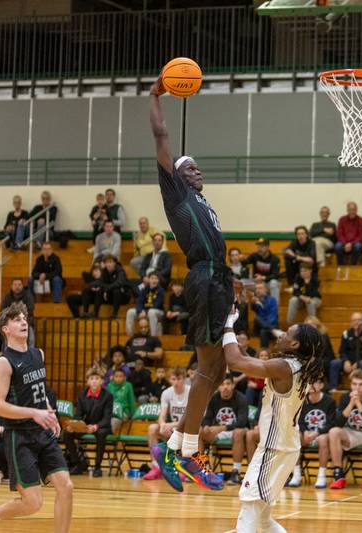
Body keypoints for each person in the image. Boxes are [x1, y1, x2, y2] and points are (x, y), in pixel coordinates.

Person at [149, 76, 235, 493]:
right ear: (176, 176)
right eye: (188, 167)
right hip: (203, 278)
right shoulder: (177, 195)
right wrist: (154, 95)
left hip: (220, 278)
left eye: (198, 167)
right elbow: (161, 135)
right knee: (207, 368)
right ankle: (181, 451)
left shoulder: (203, 201)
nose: (196, 170)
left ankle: (181, 448)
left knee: (218, 371)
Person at [0, 302, 73, 533]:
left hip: (42, 434)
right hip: (19, 437)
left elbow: (39, 391)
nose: (23, 322)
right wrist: (34, 413)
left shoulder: (38, 354)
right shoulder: (4, 362)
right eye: (17, 319)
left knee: (66, 486)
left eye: (24, 318)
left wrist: (48, 412)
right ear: (5, 329)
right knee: (33, 503)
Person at [220, 312, 327, 533]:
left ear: (295, 344)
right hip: (286, 447)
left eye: (286, 333)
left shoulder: (283, 367)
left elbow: (235, 362)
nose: (280, 335)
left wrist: (227, 324)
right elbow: (248, 361)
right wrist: (237, 343)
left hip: (274, 448)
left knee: (249, 511)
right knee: (263, 518)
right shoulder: (299, 367)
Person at [328, 370, 362, 491]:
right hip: (351, 433)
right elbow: (338, 423)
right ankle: (338, 474)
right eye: (354, 384)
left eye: (361, 384)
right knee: (333, 432)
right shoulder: (345, 397)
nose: (357, 388)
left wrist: (358, 403)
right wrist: (351, 404)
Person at [199, 375, 249, 486]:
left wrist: (222, 428)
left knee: (238, 432)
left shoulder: (241, 398)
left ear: (233, 385)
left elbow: (242, 422)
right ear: (218, 387)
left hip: (238, 430)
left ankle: (236, 472)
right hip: (219, 431)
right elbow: (207, 417)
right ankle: (201, 469)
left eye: (228, 384)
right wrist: (206, 426)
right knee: (200, 432)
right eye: (222, 384)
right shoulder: (214, 398)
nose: (225, 387)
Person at [64, 366, 113, 478]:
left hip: (101, 426)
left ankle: (97, 467)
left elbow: (107, 418)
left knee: (101, 434)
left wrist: (95, 426)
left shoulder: (108, 396)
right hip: (85, 426)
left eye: (97, 378)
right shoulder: (82, 394)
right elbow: (78, 414)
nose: (94, 381)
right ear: (88, 381)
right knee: (67, 433)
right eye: (91, 378)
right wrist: (75, 425)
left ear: (102, 381)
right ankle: (77, 464)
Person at [288, 378, 336, 488]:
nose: (311, 385)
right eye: (309, 383)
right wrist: (304, 431)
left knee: (323, 439)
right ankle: (296, 474)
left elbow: (331, 423)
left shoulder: (329, 401)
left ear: (321, 385)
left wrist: (317, 433)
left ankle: (321, 476)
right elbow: (298, 420)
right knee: (295, 436)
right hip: (307, 435)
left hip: (322, 434)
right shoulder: (302, 400)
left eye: (314, 382)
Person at [144, 367, 189, 481]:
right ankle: (156, 466)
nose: (176, 382)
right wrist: (163, 424)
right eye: (173, 379)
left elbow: (191, 419)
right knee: (152, 428)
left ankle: (182, 468)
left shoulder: (191, 392)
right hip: (174, 428)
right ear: (170, 380)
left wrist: (171, 425)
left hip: (189, 428)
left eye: (179, 379)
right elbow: (162, 414)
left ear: (184, 379)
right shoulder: (166, 393)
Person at [328, 312, 362, 391]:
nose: (357, 322)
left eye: (359, 320)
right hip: (349, 362)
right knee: (334, 363)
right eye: (354, 320)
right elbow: (342, 351)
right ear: (351, 323)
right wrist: (345, 361)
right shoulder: (346, 334)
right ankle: (333, 389)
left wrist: (357, 363)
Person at [126, 272, 165, 336]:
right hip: (144, 311)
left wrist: (145, 312)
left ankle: (153, 337)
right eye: (152, 278)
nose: (154, 280)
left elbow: (157, 304)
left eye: (156, 278)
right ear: (149, 280)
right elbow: (139, 302)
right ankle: (129, 335)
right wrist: (140, 311)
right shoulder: (144, 289)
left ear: (158, 280)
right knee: (130, 312)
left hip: (158, 311)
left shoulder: (161, 291)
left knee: (151, 312)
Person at [245, 238, 281, 302]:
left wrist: (263, 278)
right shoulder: (254, 256)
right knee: (242, 283)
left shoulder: (275, 259)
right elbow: (245, 263)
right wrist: (242, 259)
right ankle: (247, 306)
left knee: (274, 283)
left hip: (268, 282)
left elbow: (276, 275)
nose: (259, 249)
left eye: (262, 247)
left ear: (267, 247)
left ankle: (274, 306)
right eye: (258, 247)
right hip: (257, 282)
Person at [335, 201, 362, 266]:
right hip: (344, 243)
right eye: (350, 210)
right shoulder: (342, 220)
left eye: (354, 209)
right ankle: (340, 266)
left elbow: (361, 236)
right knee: (338, 246)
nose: (352, 211)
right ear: (347, 210)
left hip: (355, 243)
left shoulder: (361, 220)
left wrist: (351, 244)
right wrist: (345, 243)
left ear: (356, 210)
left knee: (358, 246)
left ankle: (353, 266)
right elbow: (339, 234)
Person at [106, 367, 136, 432]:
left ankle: (108, 434)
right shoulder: (109, 385)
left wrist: (133, 416)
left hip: (123, 412)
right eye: (116, 376)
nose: (118, 378)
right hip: (111, 412)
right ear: (113, 377)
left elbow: (131, 400)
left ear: (124, 377)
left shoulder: (128, 385)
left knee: (114, 420)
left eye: (120, 376)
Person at [251, 282, 278, 348]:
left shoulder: (272, 300)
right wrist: (252, 303)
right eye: (256, 288)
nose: (257, 290)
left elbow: (273, 318)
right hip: (259, 327)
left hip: (270, 325)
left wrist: (266, 326)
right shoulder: (254, 301)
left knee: (264, 331)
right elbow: (252, 312)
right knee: (257, 318)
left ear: (265, 289)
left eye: (260, 288)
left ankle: (264, 351)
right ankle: (272, 330)